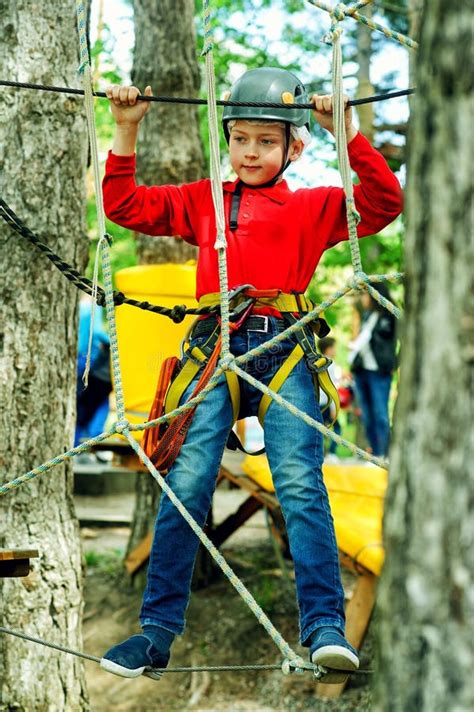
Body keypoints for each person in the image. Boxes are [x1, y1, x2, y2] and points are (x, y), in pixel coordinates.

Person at [100, 67, 403, 682]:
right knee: (187, 485)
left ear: (294, 147)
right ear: (228, 140)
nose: (251, 151)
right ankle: (156, 634)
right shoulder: (204, 201)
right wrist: (125, 133)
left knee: (299, 483)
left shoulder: (315, 206)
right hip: (215, 347)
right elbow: (124, 205)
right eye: (241, 138)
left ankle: (324, 628)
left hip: (286, 347)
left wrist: (346, 134)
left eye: (267, 141)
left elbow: (383, 204)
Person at [348, 283, 398, 457]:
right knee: (367, 416)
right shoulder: (366, 316)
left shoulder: (390, 316)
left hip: (380, 372)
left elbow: (399, 343)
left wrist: (394, 364)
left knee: (380, 414)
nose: (363, 299)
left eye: (365, 295)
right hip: (361, 371)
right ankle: (376, 454)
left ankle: (386, 454)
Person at [75, 297, 112, 447]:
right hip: (88, 360)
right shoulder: (91, 306)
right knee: (93, 404)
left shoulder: (79, 307)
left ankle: (82, 441)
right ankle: (90, 440)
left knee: (83, 403)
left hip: (81, 357)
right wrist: (114, 342)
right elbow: (96, 332)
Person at [318, 336, 343, 462]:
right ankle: (331, 453)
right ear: (328, 349)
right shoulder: (330, 364)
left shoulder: (318, 362)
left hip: (319, 402)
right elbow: (332, 387)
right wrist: (334, 408)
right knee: (337, 428)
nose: (335, 350)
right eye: (334, 348)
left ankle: (322, 453)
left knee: (320, 428)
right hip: (327, 403)